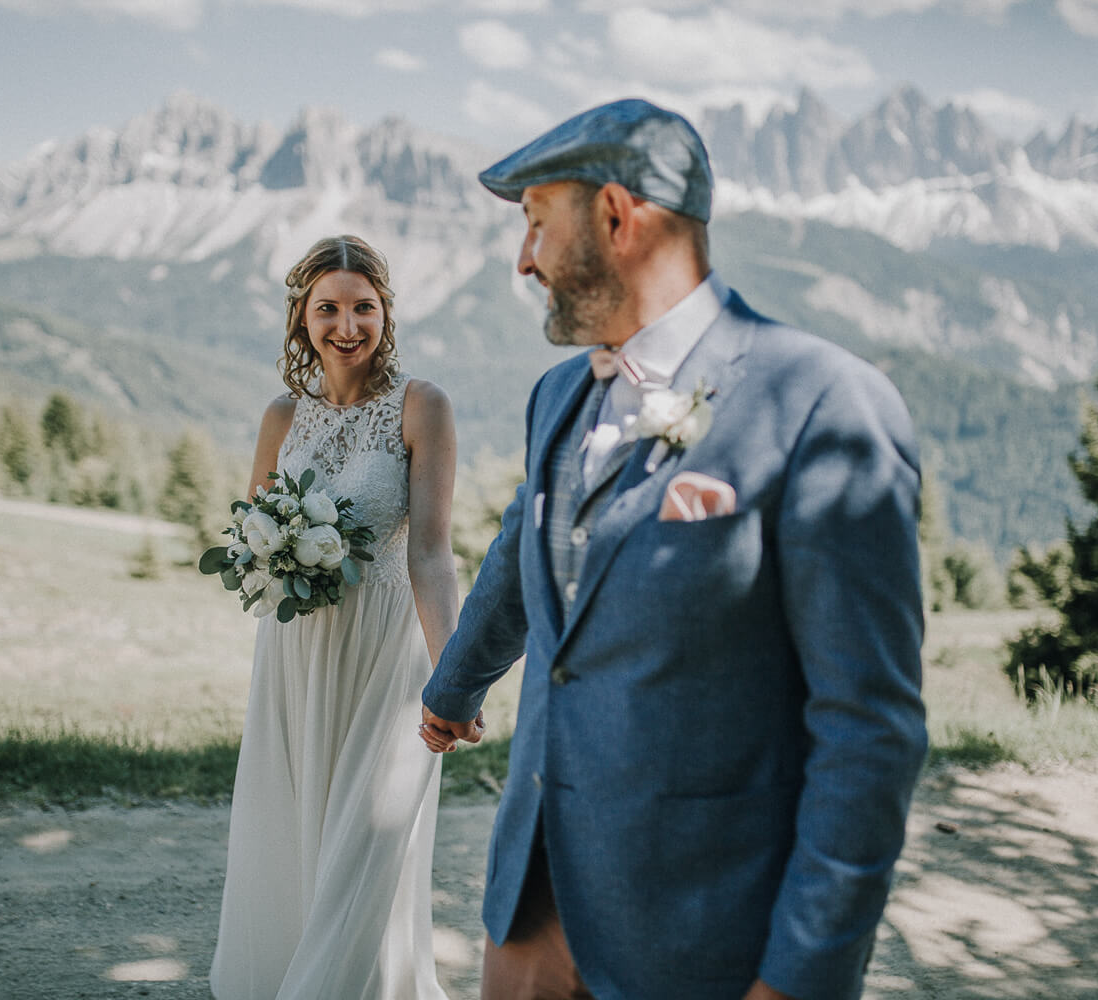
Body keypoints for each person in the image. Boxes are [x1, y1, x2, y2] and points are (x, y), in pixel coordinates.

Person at [418, 99, 928, 1000]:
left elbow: (869, 730)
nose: (523, 259)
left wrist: (803, 978)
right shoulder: (556, 397)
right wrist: (454, 686)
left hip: (699, 935)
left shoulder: (822, 405)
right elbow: (521, 557)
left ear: (618, 218)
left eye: (537, 224)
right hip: (532, 910)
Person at [211, 235, 458, 1000]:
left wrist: (456, 677)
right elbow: (250, 533)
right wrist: (275, 551)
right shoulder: (282, 414)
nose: (346, 325)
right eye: (328, 309)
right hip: (296, 647)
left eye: (363, 307)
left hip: (387, 651)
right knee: (296, 832)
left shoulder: (422, 406)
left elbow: (432, 554)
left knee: (368, 841)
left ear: (385, 312)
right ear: (300, 319)